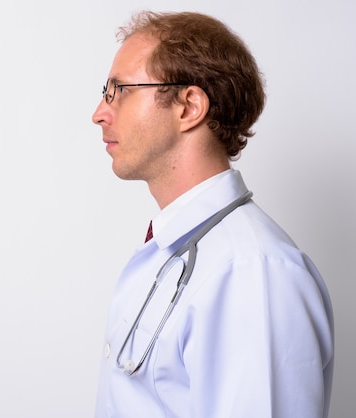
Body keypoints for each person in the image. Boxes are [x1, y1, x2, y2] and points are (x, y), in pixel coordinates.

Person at [91, 11, 334, 418]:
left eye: (122, 91)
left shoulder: (253, 272)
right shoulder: (173, 250)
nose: (100, 112)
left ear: (189, 106)